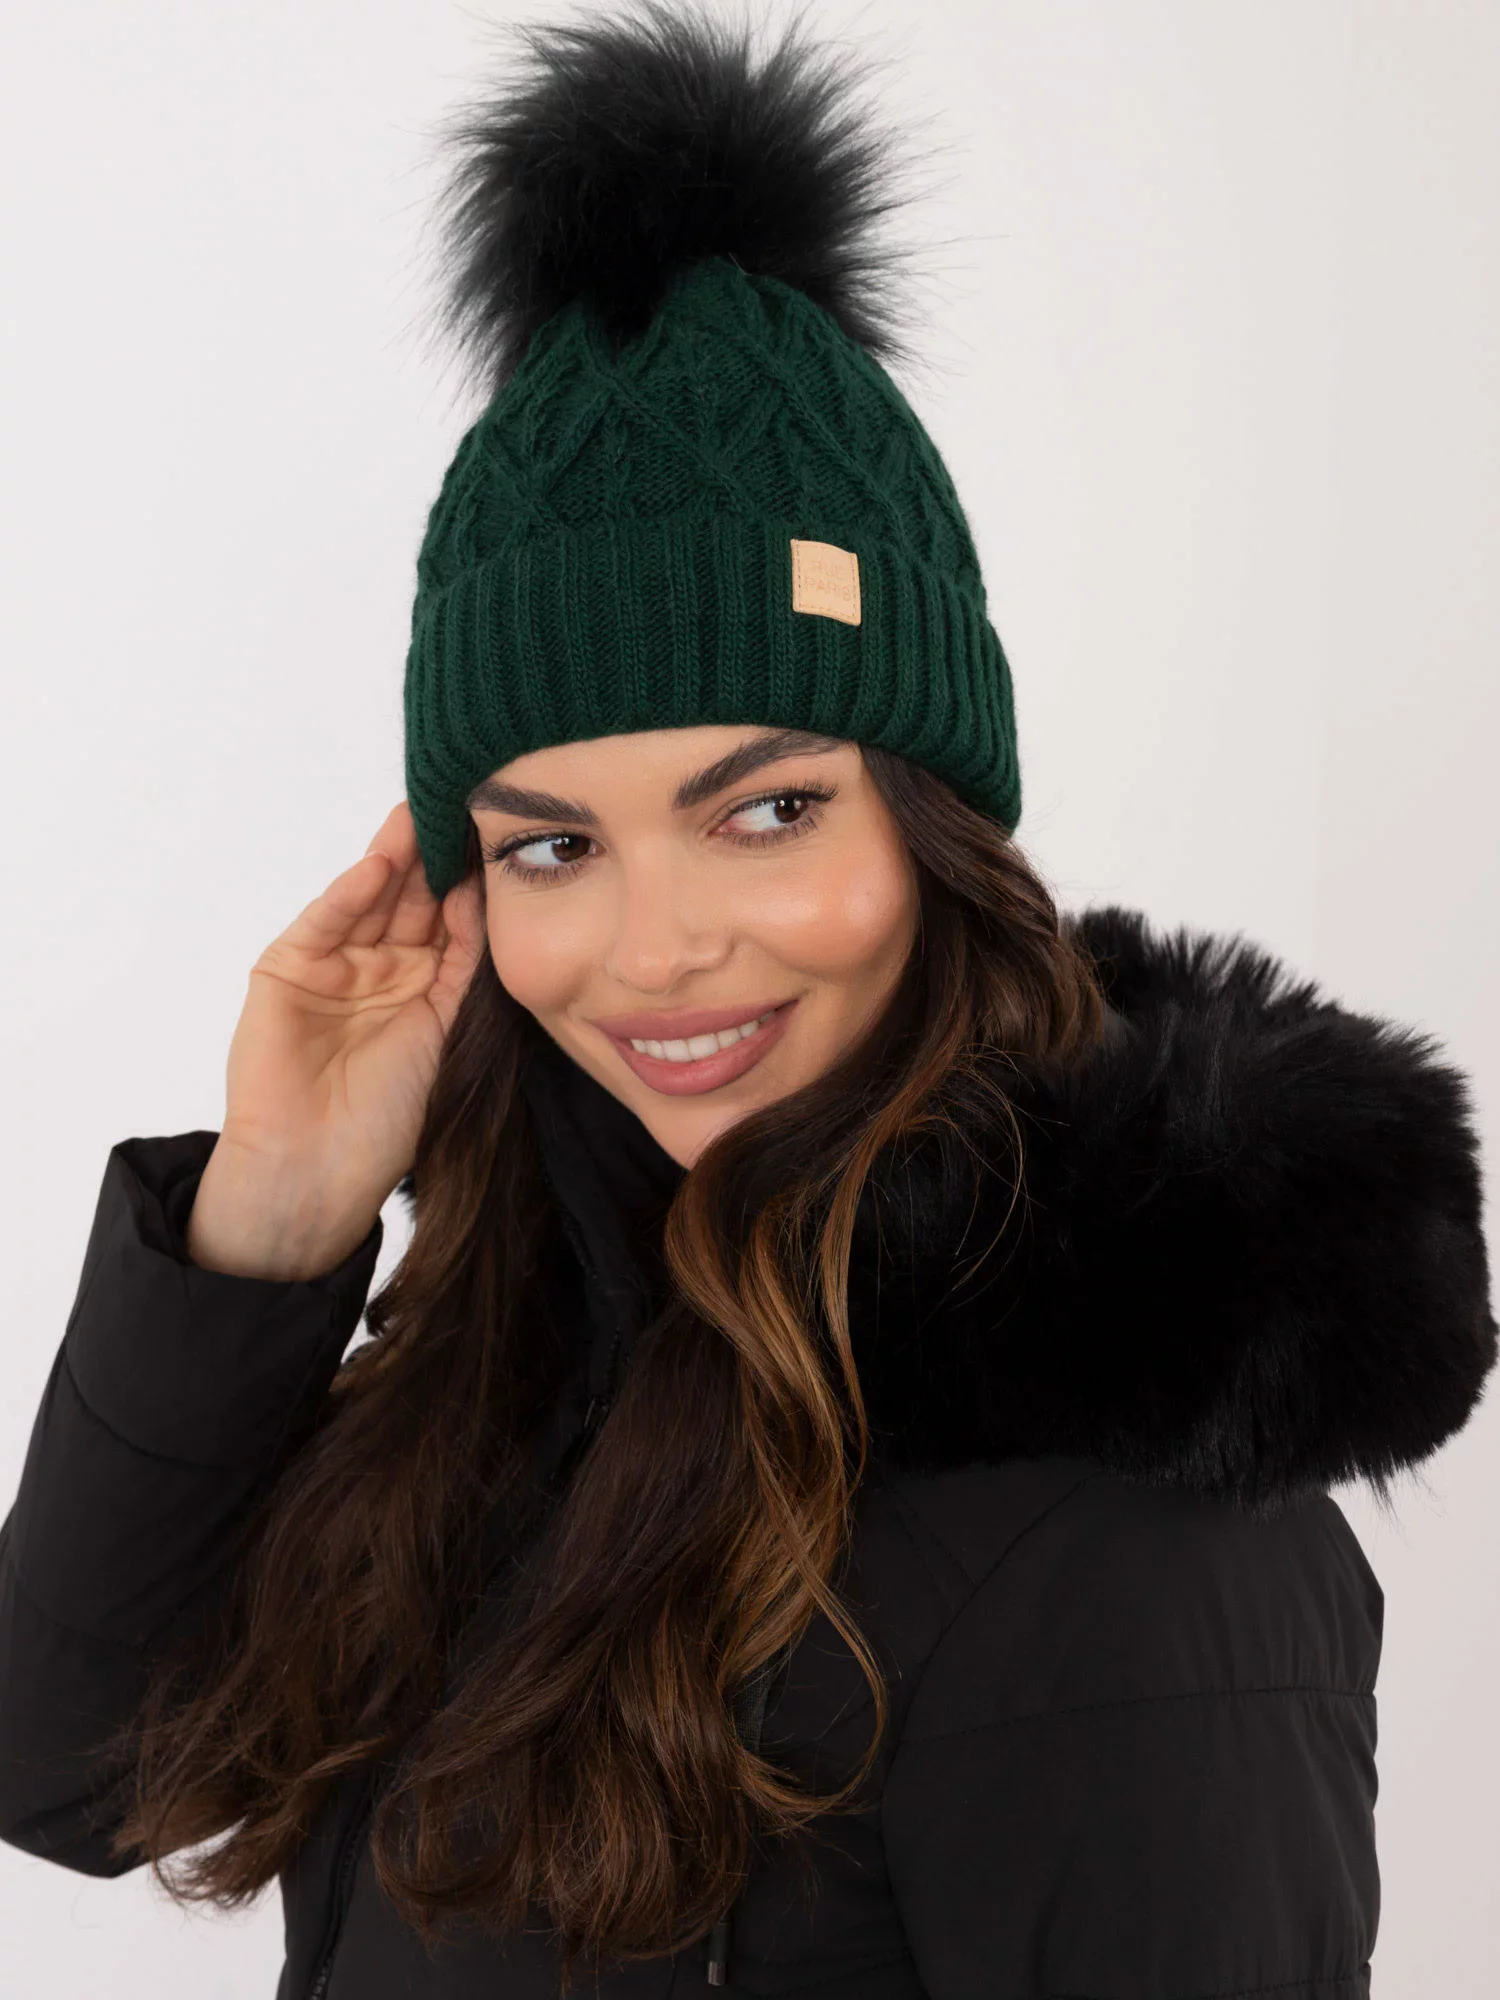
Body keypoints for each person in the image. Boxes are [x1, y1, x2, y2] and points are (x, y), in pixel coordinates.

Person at [1, 7, 1494, 1997]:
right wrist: (268, 1222)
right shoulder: (526, 1353)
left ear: (934, 822)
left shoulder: (1123, 1528)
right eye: (555, 845)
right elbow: (70, 1774)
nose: (658, 947)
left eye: (767, 810)